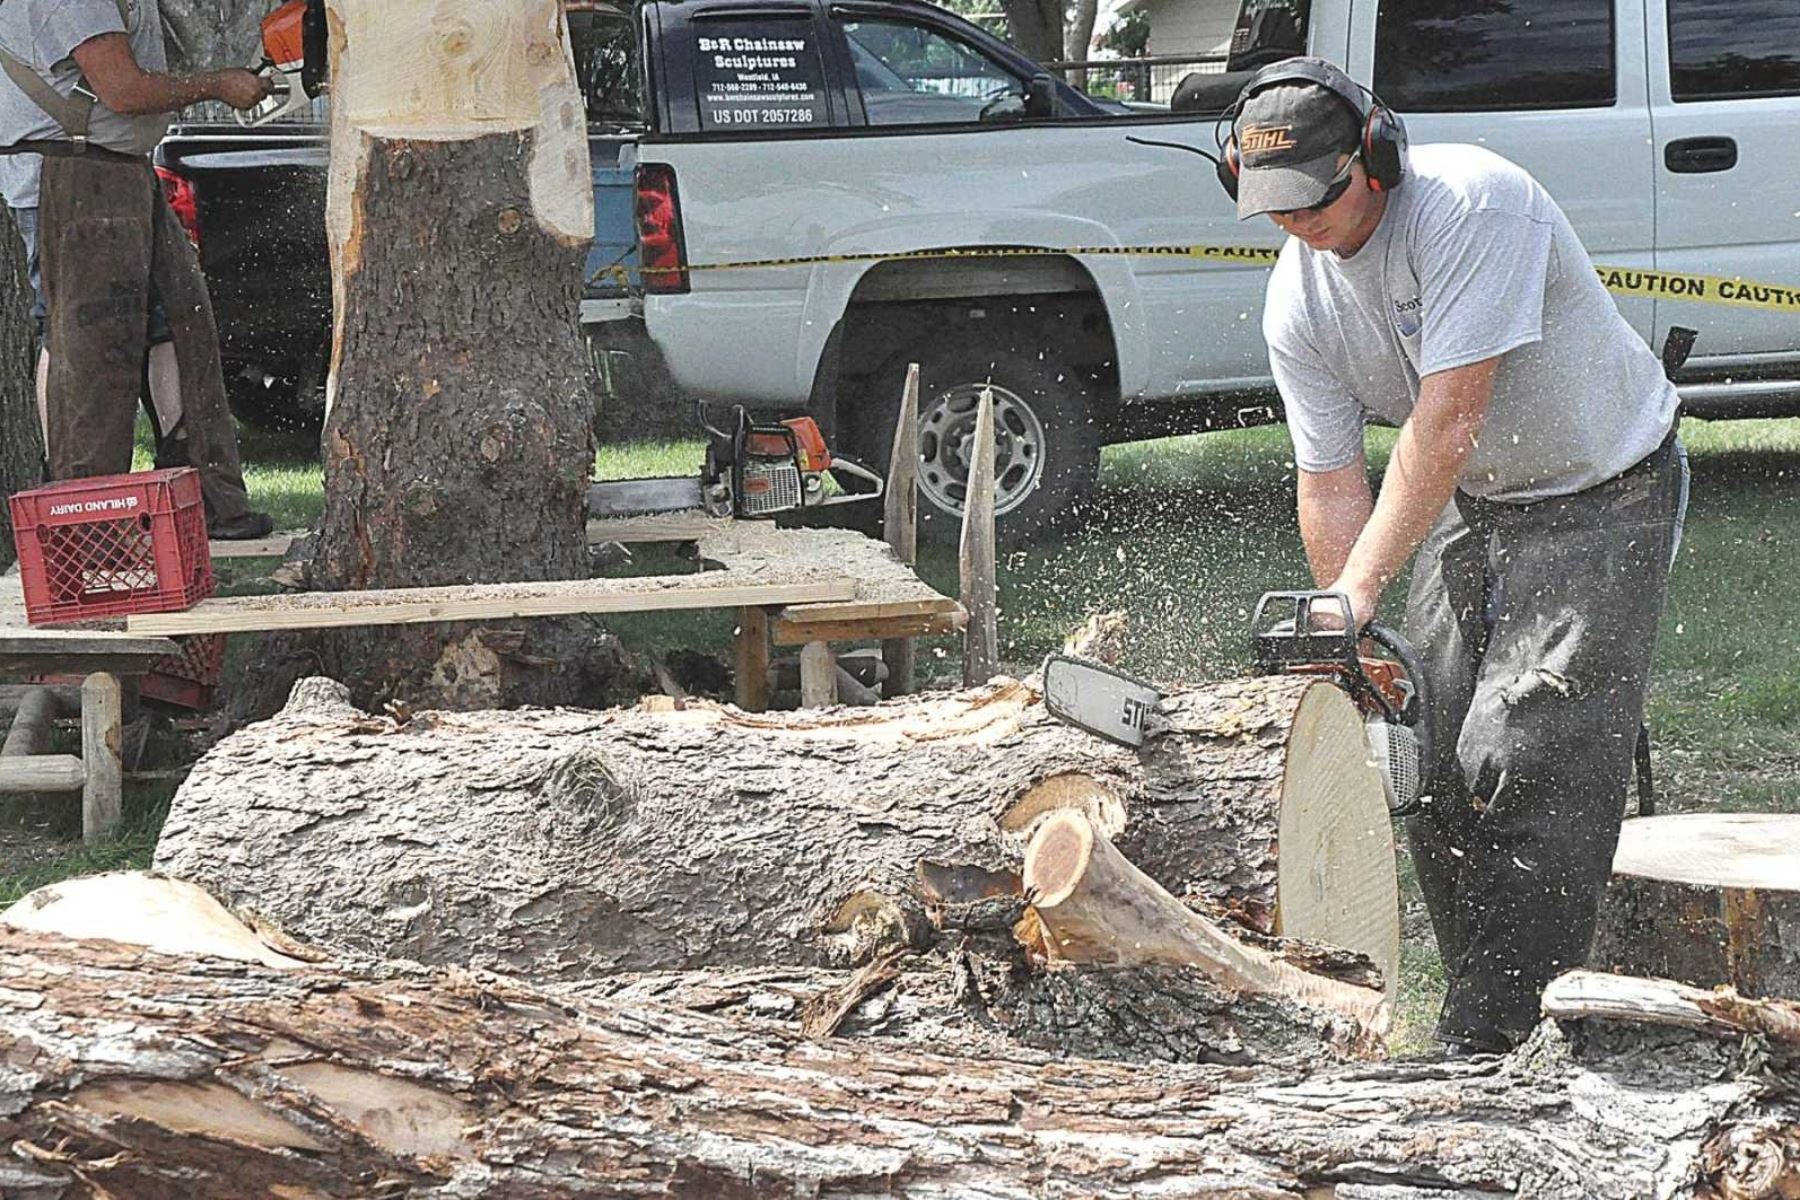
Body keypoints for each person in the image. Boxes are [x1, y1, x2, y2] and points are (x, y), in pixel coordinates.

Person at [1231, 58, 1686, 1055]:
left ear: (1377, 157)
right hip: (1478, 504)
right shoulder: (1296, 301)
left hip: (1603, 490)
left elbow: (1445, 421)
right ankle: (1487, 1000)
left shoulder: (1474, 208)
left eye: (1318, 197)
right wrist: (1347, 635)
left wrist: (1358, 591)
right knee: (1423, 756)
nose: (1300, 223)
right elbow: (1332, 481)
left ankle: (1515, 1034)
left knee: (1522, 754)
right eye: (1276, 207)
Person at [0, 0, 274, 539]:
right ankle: (82, 517)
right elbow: (124, 90)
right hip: (70, 179)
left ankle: (199, 497)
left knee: (178, 324)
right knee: (86, 345)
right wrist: (219, 84)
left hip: (118, 172)